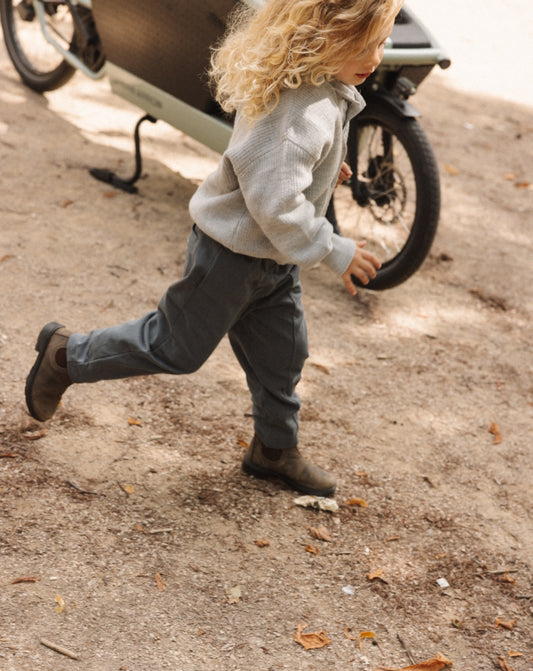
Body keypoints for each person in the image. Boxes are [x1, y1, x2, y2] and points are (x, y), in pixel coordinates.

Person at [25, 0, 402, 497]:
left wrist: (328, 171)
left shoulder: (322, 86)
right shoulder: (298, 111)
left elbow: (288, 165)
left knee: (284, 355)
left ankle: (273, 450)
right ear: (324, 37)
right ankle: (65, 356)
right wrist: (334, 250)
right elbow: (275, 202)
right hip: (229, 257)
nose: (378, 55)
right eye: (365, 43)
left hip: (275, 262)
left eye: (381, 40)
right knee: (172, 348)